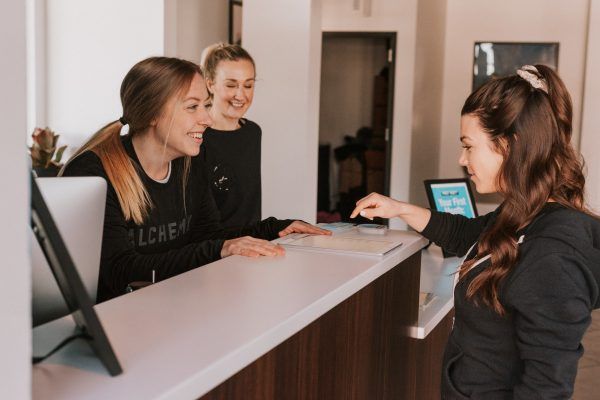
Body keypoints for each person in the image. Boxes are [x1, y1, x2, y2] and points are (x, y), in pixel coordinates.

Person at [351, 65, 600, 399]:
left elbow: (546, 388)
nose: (462, 159)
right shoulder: (523, 212)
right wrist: (401, 209)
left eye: (469, 146)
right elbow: (471, 235)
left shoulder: (553, 251)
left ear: (510, 145)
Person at [62, 57, 329, 302]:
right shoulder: (94, 171)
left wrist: (275, 229)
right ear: (153, 113)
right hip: (112, 322)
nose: (207, 119)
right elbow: (119, 271)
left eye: (207, 105)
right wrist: (219, 249)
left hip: (169, 307)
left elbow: (207, 236)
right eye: (193, 107)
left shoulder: (189, 163)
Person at [199, 43, 262, 228]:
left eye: (248, 85)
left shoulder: (253, 132)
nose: (240, 95)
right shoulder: (196, 136)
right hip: (214, 250)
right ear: (210, 84)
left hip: (251, 246)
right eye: (231, 85)